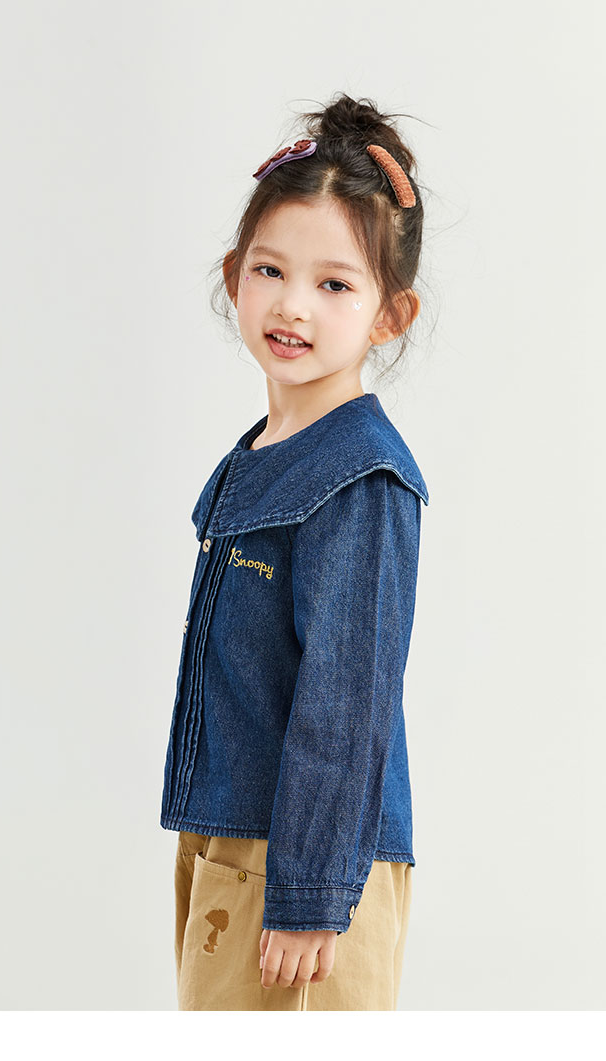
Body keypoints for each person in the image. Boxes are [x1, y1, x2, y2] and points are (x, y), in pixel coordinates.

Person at [160, 92, 430, 1011]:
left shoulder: (359, 478)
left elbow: (347, 701)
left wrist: (311, 893)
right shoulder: (262, 455)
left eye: (335, 284)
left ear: (390, 314)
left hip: (304, 869)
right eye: (270, 269)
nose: (291, 304)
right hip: (230, 840)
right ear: (234, 274)